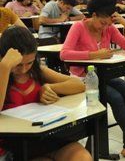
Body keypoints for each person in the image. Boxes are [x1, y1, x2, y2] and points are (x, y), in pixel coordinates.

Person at [60, 0, 125, 161]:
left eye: (108, 23)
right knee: (116, 97)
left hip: (104, 74)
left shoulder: (109, 28)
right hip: (83, 78)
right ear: (94, 15)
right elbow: (64, 54)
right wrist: (94, 54)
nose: (104, 27)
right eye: (102, 22)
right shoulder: (78, 27)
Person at [0, 26, 91, 161]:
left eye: (29, 63)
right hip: (14, 145)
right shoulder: (3, 72)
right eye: (18, 65)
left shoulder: (37, 72)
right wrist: (5, 67)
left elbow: (79, 85)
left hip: (47, 138)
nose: (24, 69)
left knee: (81, 157)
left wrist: (49, 87)